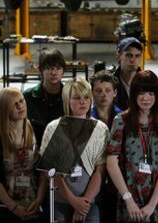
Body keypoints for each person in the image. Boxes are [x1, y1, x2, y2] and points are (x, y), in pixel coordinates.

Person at [106, 70, 158, 222]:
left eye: (151, 93)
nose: (146, 98)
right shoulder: (121, 121)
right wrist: (128, 199)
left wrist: (152, 204)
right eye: (141, 93)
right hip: (129, 198)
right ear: (133, 94)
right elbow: (111, 163)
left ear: (157, 95)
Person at [39, 77, 110, 222]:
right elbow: (49, 171)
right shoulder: (53, 127)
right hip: (60, 200)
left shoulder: (101, 129)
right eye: (77, 98)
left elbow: (100, 171)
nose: (82, 102)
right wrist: (73, 201)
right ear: (67, 100)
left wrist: (84, 203)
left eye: (86, 97)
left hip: (89, 201)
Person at [0, 88, 47, 222]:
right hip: (5, 207)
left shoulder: (39, 130)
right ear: (5, 108)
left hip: (35, 205)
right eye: (15, 104)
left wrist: (38, 201)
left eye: (22, 101)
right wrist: (14, 208)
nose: (20, 106)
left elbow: (44, 172)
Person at [89, 70, 122, 223]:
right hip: (93, 180)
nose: (104, 95)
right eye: (99, 91)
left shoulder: (123, 118)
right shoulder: (86, 119)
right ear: (92, 92)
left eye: (108, 90)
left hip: (117, 180)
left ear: (115, 92)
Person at [23, 48, 65, 143]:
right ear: (40, 70)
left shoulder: (70, 96)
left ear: (63, 70)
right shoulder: (27, 97)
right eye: (49, 68)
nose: (54, 73)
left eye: (58, 68)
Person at [113, 37, 143, 111]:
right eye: (129, 55)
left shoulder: (147, 82)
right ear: (118, 55)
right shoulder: (111, 83)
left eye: (137, 56)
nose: (133, 60)